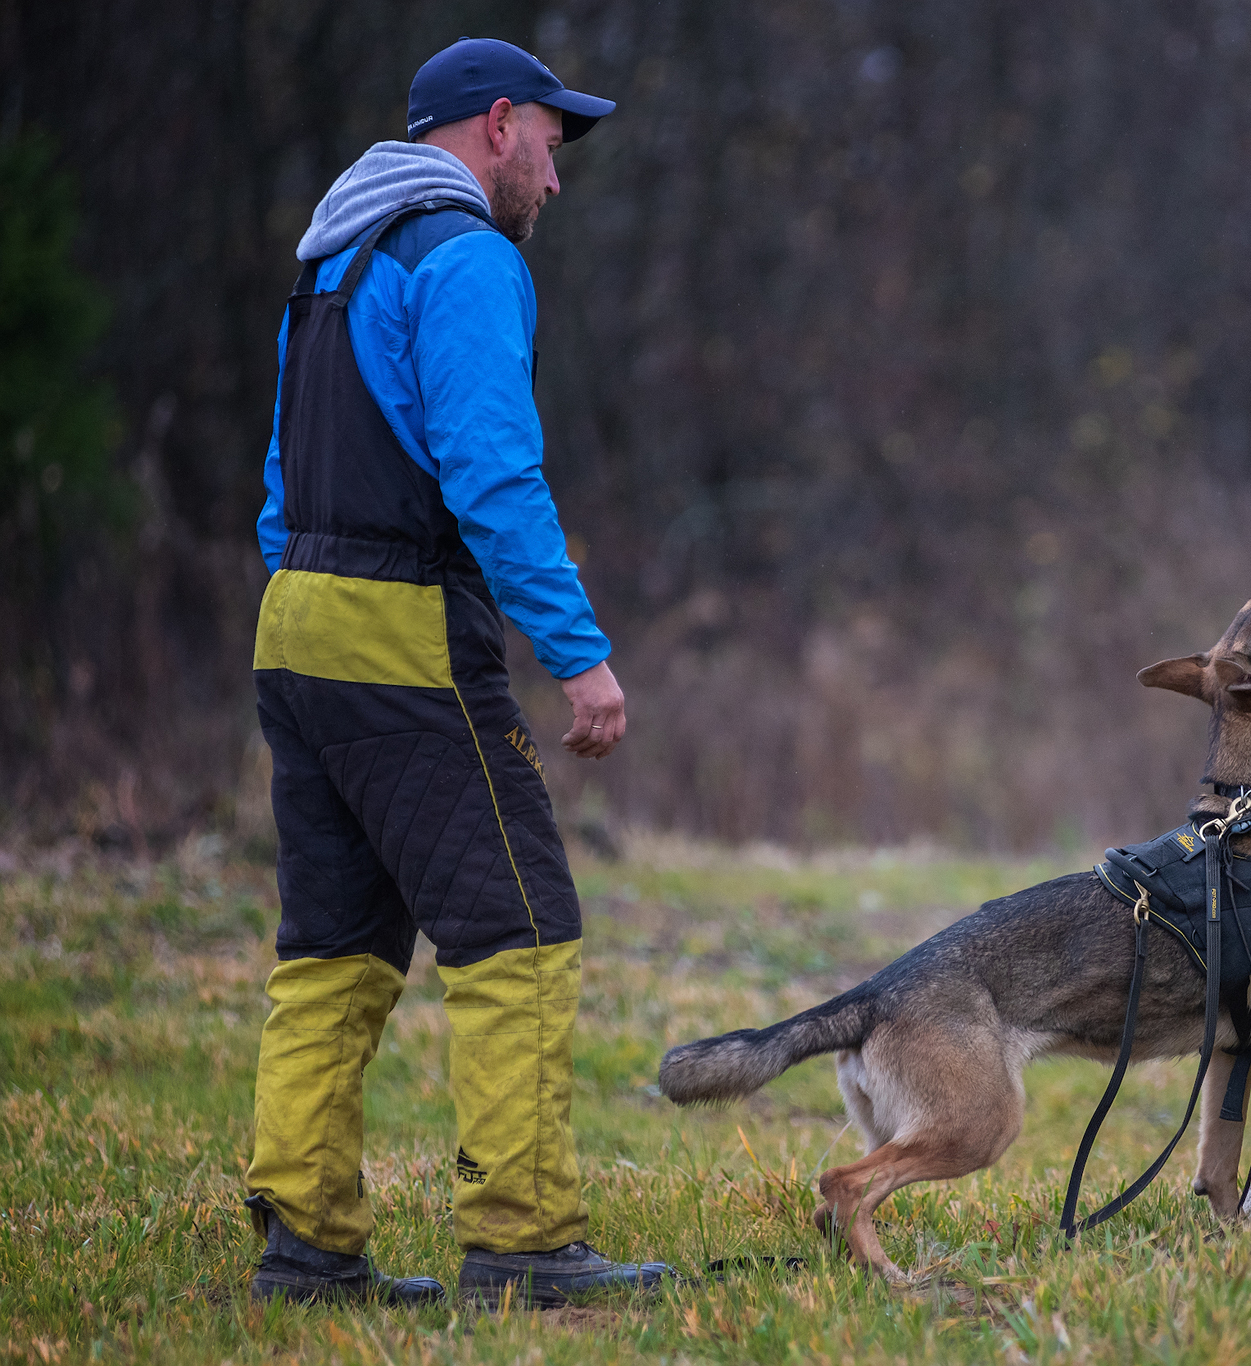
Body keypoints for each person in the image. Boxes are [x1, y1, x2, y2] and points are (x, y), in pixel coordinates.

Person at [245, 37, 671, 1304]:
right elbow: (491, 473)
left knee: (334, 946)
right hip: (400, 634)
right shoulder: (464, 257)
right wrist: (577, 653)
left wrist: (298, 599)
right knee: (521, 925)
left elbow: (279, 480)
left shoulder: (331, 258)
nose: (556, 172)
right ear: (497, 126)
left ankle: (306, 1246)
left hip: (294, 625)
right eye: (551, 140)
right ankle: (526, 1245)